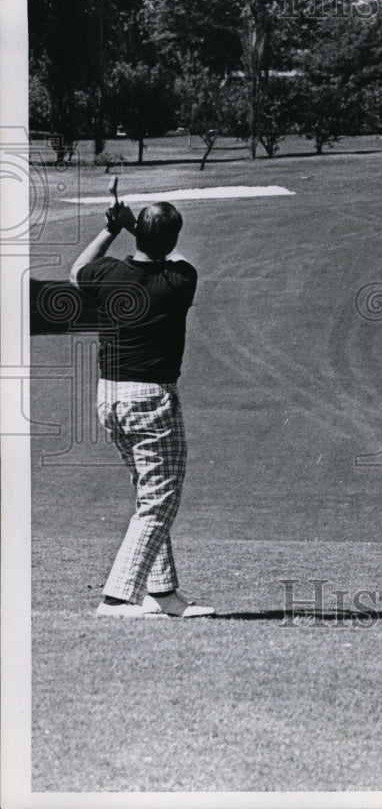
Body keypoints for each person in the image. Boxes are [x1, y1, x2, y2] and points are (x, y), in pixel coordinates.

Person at [70, 199, 214, 618]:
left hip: (109, 397)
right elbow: (169, 252)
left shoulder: (109, 272)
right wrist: (135, 227)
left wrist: (113, 227)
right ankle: (116, 598)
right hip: (150, 400)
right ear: (172, 239)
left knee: (148, 494)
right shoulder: (179, 278)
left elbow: (78, 271)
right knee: (160, 500)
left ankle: (162, 592)